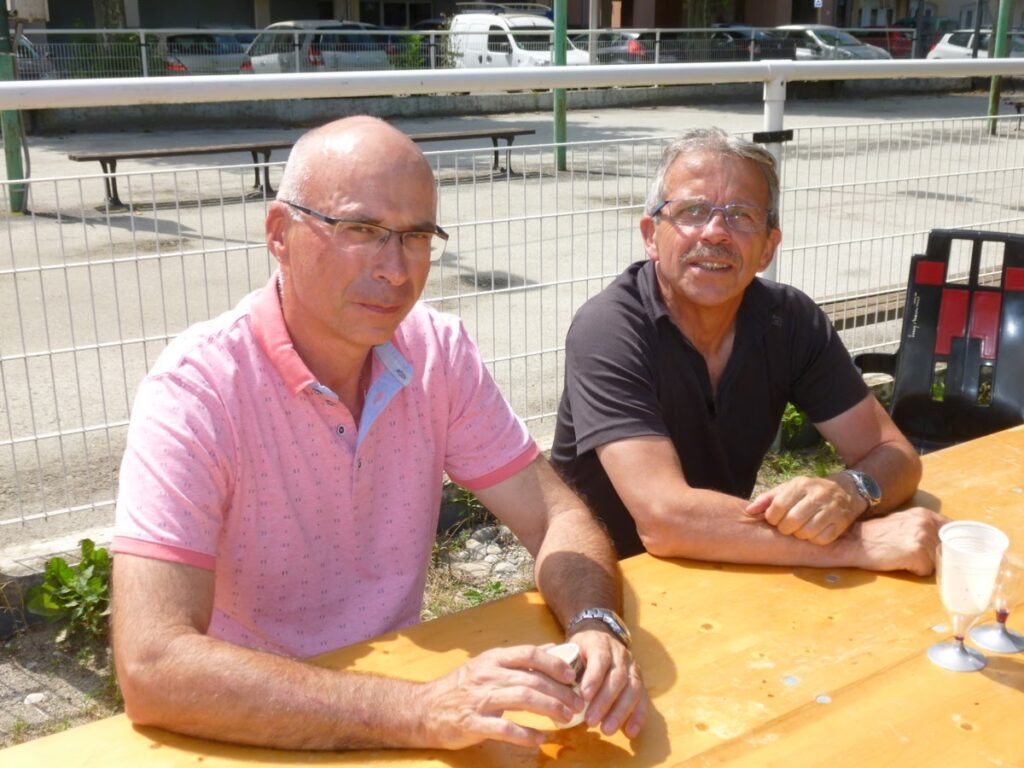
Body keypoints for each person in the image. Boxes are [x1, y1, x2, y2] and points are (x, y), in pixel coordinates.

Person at [110, 116, 647, 751]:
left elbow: (556, 516)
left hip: (395, 704)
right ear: (279, 234)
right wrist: (418, 710)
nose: (395, 270)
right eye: (360, 230)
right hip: (248, 727)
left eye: (416, 236)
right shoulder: (198, 390)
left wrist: (594, 623)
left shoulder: (435, 352)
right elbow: (153, 664)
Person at [551, 127, 944, 573]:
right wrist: (860, 544)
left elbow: (896, 455)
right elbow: (665, 520)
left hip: (730, 560)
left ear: (767, 249)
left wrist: (850, 489)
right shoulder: (609, 328)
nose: (715, 232)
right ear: (651, 235)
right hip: (610, 580)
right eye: (692, 211)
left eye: (740, 215)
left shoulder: (789, 320)